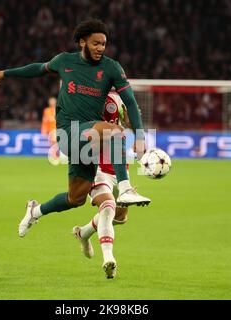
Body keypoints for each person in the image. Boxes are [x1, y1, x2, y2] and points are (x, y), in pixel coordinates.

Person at [0, 19, 150, 278]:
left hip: (89, 141)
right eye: (96, 43)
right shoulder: (64, 61)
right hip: (68, 132)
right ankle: (127, 188)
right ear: (82, 42)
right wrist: (5, 73)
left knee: (75, 198)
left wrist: (140, 135)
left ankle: (35, 210)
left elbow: (129, 100)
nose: (101, 48)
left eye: (104, 44)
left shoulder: (111, 68)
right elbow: (37, 69)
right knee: (116, 133)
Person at [73, 91, 132, 279]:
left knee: (120, 218)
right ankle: (109, 259)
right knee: (108, 207)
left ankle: (84, 232)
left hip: (119, 166)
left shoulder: (117, 98)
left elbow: (127, 125)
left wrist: (129, 118)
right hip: (95, 166)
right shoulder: (83, 98)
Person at [41, 96, 61, 165]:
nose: (52, 103)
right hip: (50, 130)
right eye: (51, 102)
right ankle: (55, 157)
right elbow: (45, 120)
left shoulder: (58, 110)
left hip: (56, 129)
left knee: (55, 143)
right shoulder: (46, 110)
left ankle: (55, 157)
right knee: (52, 144)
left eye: (53, 101)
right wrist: (44, 129)